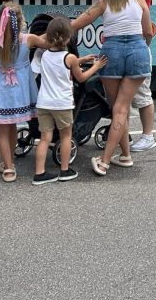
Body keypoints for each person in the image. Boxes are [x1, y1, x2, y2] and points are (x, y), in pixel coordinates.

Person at [72, 0, 154, 175]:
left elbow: (76, 24)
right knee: (122, 107)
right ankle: (125, 155)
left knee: (117, 108)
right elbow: (148, 33)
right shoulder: (139, 1)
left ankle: (105, 161)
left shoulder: (103, 4)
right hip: (138, 51)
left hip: (112, 54)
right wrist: (140, 49)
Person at [87, 0, 156, 153]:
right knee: (120, 101)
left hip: (136, 43)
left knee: (142, 94)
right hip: (118, 45)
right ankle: (123, 141)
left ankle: (148, 136)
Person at [30, 17, 107, 184]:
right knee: (66, 136)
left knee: (45, 139)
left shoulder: (44, 56)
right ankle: (64, 170)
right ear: (67, 38)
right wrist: (95, 66)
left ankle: (39, 173)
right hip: (62, 104)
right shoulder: (70, 57)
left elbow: (60, 63)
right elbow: (81, 77)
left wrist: (83, 59)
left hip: (43, 103)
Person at [0, 1, 37, 183]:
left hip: (1, 89)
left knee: (4, 128)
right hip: (21, 90)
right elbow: (48, 41)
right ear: (21, 20)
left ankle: (8, 166)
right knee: (12, 125)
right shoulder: (28, 39)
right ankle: (8, 162)